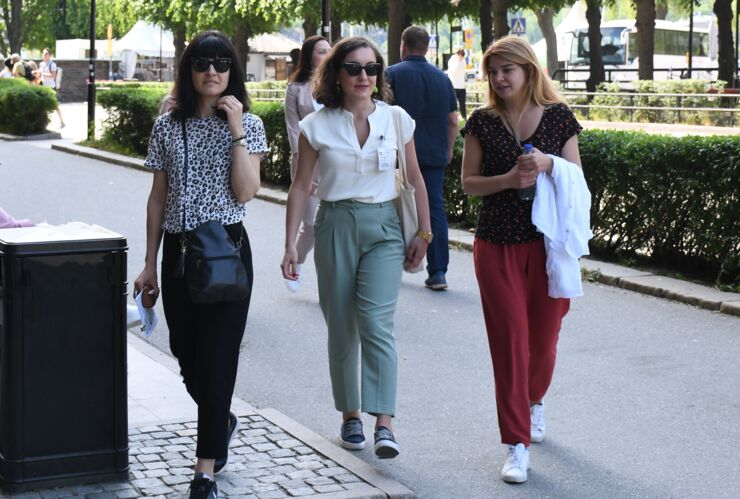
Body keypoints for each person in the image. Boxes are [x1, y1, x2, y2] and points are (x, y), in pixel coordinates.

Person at [280, 36, 431, 459]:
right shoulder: (316, 125)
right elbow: (298, 187)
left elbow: (416, 178)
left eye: (372, 68)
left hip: (384, 225)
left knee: (377, 321)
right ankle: (350, 414)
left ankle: (384, 421)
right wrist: (291, 245)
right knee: (341, 324)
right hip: (334, 225)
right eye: (354, 68)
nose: (365, 76)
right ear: (337, 74)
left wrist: (425, 233)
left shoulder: (398, 119)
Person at [134, 30, 267, 499]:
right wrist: (148, 263)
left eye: (222, 63)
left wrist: (234, 131)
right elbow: (157, 198)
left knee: (218, 360)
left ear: (233, 71)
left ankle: (204, 471)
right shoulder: (167, 125)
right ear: (188, 70)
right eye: (202, 62)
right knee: (187, 354)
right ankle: (221, 418)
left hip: (227, 251)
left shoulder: (248, 125)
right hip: (179, 252)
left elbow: (247, 191)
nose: (213, 70)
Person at [460, 36, 583, 484]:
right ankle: (515, 443)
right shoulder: (481, 122)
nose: (498, 79)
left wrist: (550, 164)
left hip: (549, 246)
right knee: (510, 342)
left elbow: (577, 180)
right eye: (493, 71)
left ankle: (534, 402)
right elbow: (469, 183)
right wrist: (510, 179)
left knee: (544, 342)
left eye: (507, 70)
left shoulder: (558, 117)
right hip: (496, 245)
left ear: (529, 70)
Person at [385, 26, 458, 291]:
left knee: (393, 206)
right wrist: (448, 149)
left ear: (404, 45)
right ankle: (437, 271)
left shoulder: (391, 74)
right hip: (434, 153)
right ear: (427, 47)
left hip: (399, 154)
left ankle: (393, 262)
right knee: (435, 209)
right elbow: (453, 119)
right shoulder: (443, 78)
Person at [282, 35, 330, 293]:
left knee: (330, 222)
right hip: (305, 161)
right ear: (310, 55)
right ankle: (295, 261)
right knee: (311, 222)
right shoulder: (295, 88)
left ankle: (331, 276)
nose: (326, 54)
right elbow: (292, 127)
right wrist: (304, 166)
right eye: (321, 51)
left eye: (329, 51)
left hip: (333, 160)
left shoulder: (336, 84)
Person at [39, 48, 65, 127]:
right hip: (43, 87)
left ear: (50, 55)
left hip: (50, 87)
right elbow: (39, 75)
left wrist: (42, 73)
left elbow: (53, 76)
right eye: (43, 53)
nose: (44, 55)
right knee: (42, 105)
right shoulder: (41, 64)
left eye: (46, 53)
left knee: (55, 105)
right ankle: (43, 123)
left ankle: (62, 122)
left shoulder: (52, 64)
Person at [448, 48, 468, 119]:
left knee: (462, 104)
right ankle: (454, 118)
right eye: (461, 55)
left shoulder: (463, 61)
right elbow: (453, 71)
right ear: (458, 54)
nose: (462, 57)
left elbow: (463, 72)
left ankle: (464, 117)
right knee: (453, 104)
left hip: (462, 86)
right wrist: (458, 62)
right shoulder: (452, 60)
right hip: (454, 86)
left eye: (463, 55)